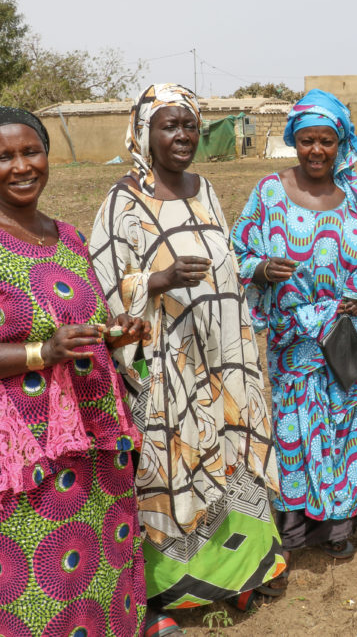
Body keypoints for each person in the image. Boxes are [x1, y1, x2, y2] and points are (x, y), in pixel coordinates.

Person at [0, 107, 150, 636]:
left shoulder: (66, 236)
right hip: (19, 450)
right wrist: (39, 354)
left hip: (91, 437)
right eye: (3, 157)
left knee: (101, 564)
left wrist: (113, 331)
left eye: (31, 151)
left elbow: (75, 322)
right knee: (35, 581)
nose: (21, 166)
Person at [89, 84, 285, 633]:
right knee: (174, 460)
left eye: (190, 125)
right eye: (168, 126)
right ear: (144, 133)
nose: (182, 136)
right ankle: (178, 589)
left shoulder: (206, 188)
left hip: (226, 355)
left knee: (234, 448)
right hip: (169, 364)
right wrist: (158, 281)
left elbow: (226, 260)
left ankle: (242, 575)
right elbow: (100, 287)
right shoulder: (122, 201)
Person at [230, 89, 357, 563]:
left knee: (345, 423)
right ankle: (295, 522)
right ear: (294, 139)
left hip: (347, 335)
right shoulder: (270, 192)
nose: (317, 150)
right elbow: (238, 249)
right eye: (307, 140)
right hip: (294, 338)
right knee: (296, 425)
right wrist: (261, 269)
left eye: (327, 141)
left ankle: (337, 523)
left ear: (341, 142)